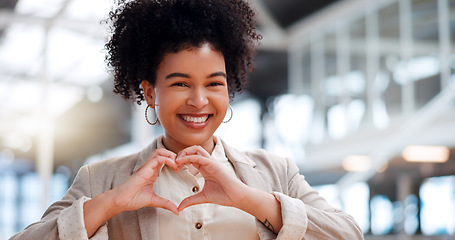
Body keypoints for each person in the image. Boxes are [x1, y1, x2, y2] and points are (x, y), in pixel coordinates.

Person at [10, 0, 364, 239]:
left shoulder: (276, 173)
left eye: (214, 84)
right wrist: (113, 203)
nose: (199, 100)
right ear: (149, 93)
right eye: (180, 83)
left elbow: (348, 233)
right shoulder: (102, 179)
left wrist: (248, 199)